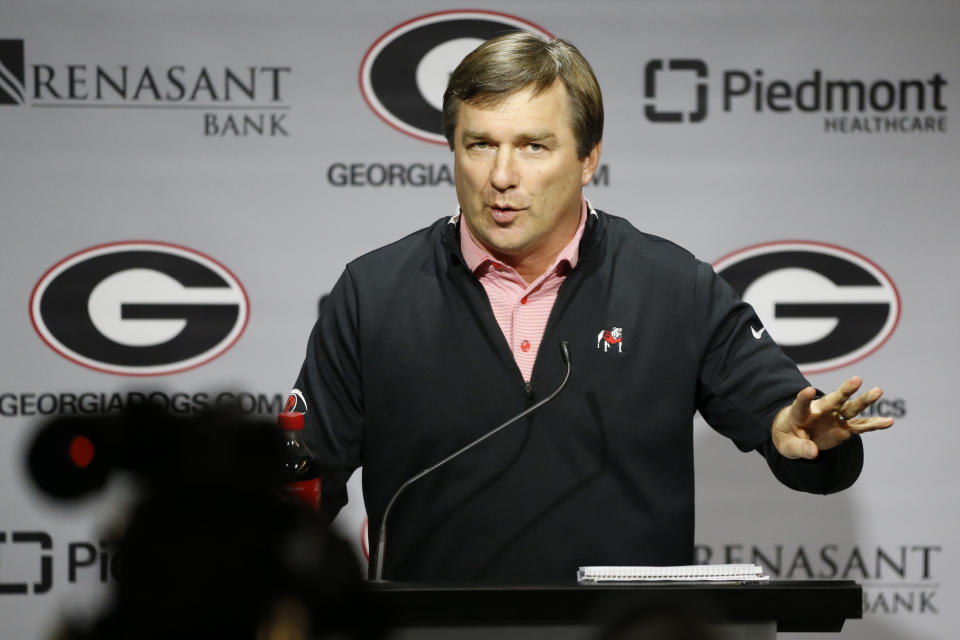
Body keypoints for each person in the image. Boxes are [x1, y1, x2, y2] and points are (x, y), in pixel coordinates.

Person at [288, 32, 893, 583]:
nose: (501, 175)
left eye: (532, 146)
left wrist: (814, 442)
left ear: (587, 159)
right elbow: (303, 482)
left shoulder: (673, 288)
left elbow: (800, 438)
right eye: (479, 145)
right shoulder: (375, 292)